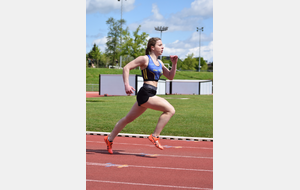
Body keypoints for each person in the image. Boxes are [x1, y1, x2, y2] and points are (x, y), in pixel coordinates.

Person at [104, 37, 178, 154]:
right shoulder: (144, 59)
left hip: (151, 93)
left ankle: (109, 139)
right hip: (145, 93)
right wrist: (126, 85)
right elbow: (126, 67)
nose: (163, 47)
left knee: (128, 119)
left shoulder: (160, 63)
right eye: (160, 45)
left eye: (162, 45)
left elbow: (170, 76)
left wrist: (174, 64)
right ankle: (155, 136)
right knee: (170, 110)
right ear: (152, 47)